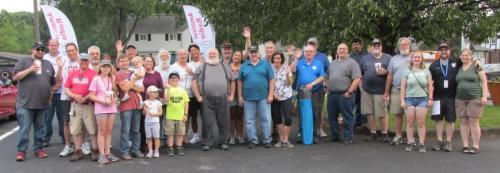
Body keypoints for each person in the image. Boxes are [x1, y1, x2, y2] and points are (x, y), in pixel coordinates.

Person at [14, 42, 56, 161]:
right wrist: (30, 69)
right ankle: (21, 151)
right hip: (25, 103)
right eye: (38, 49)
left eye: (43, 49)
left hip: (43, 103)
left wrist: (50, 95)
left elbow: (52, 83)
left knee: (40, 129)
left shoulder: (48, 64)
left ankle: (38, 149)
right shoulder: (24, 61)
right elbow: (15, 77)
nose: (40, 51)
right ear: (32, 50)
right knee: (24, 129)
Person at [192, 48, 235, 151]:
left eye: (214, 53)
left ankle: (223, 142)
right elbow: (194, 82)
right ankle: (207, 142)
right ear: (207, 55)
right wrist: (198, 96)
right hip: (207, 99)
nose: (212, 55)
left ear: (218, 54)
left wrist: (232, 95)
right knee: (207, 122)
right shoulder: (202, 67)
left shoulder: (225, 66)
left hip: (223, 98)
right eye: (210, 53)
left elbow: (232, 80)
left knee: (224, 121)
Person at [238, 45, 275, 149]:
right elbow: (240, 82)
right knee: (249, 120)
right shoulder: (244, 66)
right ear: (249, 54)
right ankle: (253, 140)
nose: (253, 54)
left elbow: (271, 80)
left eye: (255, 52)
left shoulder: (266, 64)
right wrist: (240, 96)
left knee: (266, 119)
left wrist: (271, 94)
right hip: (248, 98)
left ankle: (267, 140)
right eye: (251, 52)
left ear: (258, 54)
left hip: (263, 97)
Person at [64, 54, 99, 161]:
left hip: (88, 105)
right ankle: (78, 151)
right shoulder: (73, 73)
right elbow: (66, 88)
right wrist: (74, 96)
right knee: (75, 128)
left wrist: (85, 97)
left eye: (85, 61)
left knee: (92, 128)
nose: (83, 63)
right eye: (81, 61)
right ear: (78, 61)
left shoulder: (94, 74)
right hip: (75, 105)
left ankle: (95, 150)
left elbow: (96, 89)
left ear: (88, 62)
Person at [325, 43, 361, 144]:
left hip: (345, 94)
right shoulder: (333, 63)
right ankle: (335, 135)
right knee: (332, 116)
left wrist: (350, 91)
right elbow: (328, 77)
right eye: (340, 49)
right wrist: (327, 88)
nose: (342, 50)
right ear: (337, 51)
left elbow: (357, 78)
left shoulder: (352, 63)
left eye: (344, 49)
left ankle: (348, 137)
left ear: (347, 50)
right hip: (332, 95)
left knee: (347, 116)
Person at [455, 49, 488, 154]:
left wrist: (484, 96)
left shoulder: (477, 66)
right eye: (463, 55)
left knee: (473, 121)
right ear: (460, 56)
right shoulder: (458, 68)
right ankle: (465, 145)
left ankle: (475, 145)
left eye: (467, 55)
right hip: (460, 99)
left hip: (474, 98)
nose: (465, 57)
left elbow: (484, 82)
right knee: (463, 122)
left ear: (471, 56)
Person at [290, 45, 325, 143]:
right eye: (306, 51)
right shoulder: (300, 62)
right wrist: (296, 58)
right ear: (304, 53)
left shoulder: (318, 63)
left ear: (314, 52)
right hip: (301, 92)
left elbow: (322, 77)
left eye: (310, 51)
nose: (308, 53)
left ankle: (312, 135)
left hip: (314, 92)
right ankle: (302, 134)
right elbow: (291, 70)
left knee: (314, 113)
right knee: (301, 113)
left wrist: (312, 83)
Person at [359, 39, 391, 142]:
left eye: (378, 45)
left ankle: (384, 133)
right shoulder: (365, 59)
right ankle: (372, 132)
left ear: (381, 47)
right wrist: (361, 88)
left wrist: (385, 72)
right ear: (371, 47)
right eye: (374, 45)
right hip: (367, 90)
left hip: (381, 90)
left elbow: (392, 74)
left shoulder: (388, 58)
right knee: (369, 113)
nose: (376, 47)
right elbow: (359, 74)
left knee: (382, 113)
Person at [88, 60, 120, 164]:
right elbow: (91, 96)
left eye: (108, 66)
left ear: (111, 68)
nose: (106, 68)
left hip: (111, 107)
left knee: (109, 131)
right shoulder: (96, 79)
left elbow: (115, 93)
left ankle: (108, 152)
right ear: (100, 68)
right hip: (101, 107)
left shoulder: (112, 78)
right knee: (102, 131)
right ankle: (101, 154)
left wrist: (115, 99)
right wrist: (102, 101)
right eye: (104, 66)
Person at [401, 52, 433, 152]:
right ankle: (410, 142)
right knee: (410, 122)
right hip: (409, 99)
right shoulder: (407, 71)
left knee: (421, 122)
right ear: (412, 59)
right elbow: (403, 87)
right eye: (415, 57)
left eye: (419, 57)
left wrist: (430, 98)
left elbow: (429, 86)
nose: (416, 59)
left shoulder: (426, 71)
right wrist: (402, 100)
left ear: (421, 59)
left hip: (422, 99)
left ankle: (422, 143)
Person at [429, 43, 458, 151]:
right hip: (437, 97)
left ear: (449, 51)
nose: (444, 51)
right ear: (439, 52)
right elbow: (429, 82)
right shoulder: (433, 65)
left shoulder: (456, 63)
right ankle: (439, 141)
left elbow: (467, 64)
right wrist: (430, 97)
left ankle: (448, 142)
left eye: (446, 49)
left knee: (450, 120)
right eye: (441, 50)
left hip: (451, 97)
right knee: (438, 120)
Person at [116, 54, 145, 160]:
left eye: (126, 61)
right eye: (122, 61)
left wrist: (130, 84)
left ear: (129, 62)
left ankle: (135, 150)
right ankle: (124, 151)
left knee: (136, 130)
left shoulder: (134, 72)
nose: (124, 63)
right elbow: (124, 89)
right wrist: (133, 82)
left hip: (136, 104)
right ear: (119, 63)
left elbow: (142, 89)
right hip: (125, 106)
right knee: (125, 130)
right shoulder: (118, 74)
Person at [384, 37, 411, 145]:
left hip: (411, 91)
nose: (404, 46)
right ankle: (398, 136)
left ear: (410, 46)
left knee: (410, 115)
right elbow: (389, 76)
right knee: (398, 114)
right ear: (398, 47)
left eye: (406, 44)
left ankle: (410, 138)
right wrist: (386, 91)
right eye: (402, 45)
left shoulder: (414, 57)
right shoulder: (394, 59)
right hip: (396, 90)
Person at [58, 43, 81, 157]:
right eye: (68, 51)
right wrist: (60, 68)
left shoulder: (83, 62)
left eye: (72, 50)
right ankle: (68, 146)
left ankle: (82, 145)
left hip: (80, 97)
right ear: (66, 52)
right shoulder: (64, 63)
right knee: (66, 122)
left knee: (81, 122)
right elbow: (58, 80)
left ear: (76, 50)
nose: (71, 52)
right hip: (66, 97)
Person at [42, 39, 64, 147]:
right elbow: (42, 75)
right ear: (48, 46)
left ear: (58, 46)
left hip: (62, 92)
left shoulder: (63, 57)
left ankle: (64, 136)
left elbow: (66, 73)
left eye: (55, 45)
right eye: (51, 45)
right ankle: (46, 138)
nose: (53, 47)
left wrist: (58, 84)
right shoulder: (44, 58)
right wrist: (52, 86)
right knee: (47, 117)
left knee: (62, 117)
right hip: (48, 93)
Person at [271, 52, 295, 148]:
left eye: (278, 58)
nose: (276, 60)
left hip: (286, 96)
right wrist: (273, 94)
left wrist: (286, 75)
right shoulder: (270, 69)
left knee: (288, 118)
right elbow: (268, 83)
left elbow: (290, 83)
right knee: (277, 118)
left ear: (281, 59)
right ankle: (281, 139)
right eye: (275, 58)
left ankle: (286, 139)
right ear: (273, 59)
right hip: (275, 97)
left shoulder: (286, 68)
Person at [140, 56, 164, 153]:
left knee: (154, 124)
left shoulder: (157, 74)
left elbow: (161, 88)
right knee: (142, 125)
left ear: (153, 63)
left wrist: (160, 100)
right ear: (143, 62)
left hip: (154, 103)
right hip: (142, 102)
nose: (148, 62)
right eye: (146, 61)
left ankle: (155, 146)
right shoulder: (140, 73)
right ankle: (142, 145)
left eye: (150, 61)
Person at [165, 72, 190, 156]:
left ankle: (179, 146)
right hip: (170, 116)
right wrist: (168, 89)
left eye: (176, 78)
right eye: (172, 78)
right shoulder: (167, 90)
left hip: (180, 116)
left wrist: (185, 114)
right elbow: (166, 100)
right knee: (170, 133)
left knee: (180, 132)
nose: (174, 79)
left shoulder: (182, 91)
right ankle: (170, 148)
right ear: (169, 80)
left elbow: (186, 103)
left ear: (179, 80)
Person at [186, 44, 203, 144]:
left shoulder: (205, 62)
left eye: (195, 50)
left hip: (204, 94)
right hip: (192, 94)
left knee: (205, 116)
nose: (194, 52)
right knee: (193, 115)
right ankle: (195, 136)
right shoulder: (189, 65)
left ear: (199, 51)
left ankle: (206, 135)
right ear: (190, 53)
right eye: (192, 51)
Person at [350, 38, 369, 127]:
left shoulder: (366, 56)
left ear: (361, 45)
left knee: (364, 102)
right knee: (355, 101)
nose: (355, 46)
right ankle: (356, 120)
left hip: (364, 82)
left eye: (357, 44)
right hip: (353, 82)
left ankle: (364, 122)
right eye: (353, 45)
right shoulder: (350, 56)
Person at [229, 51, 245, 145]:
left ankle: (241, 135)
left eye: (239, 56)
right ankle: (232, 136)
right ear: (232, 56)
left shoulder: (244, 67)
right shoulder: (228, 67)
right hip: (231, 95)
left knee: (240, 116)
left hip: (241, 95)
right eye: (235, 55)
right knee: (231, 116)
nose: (237, 57)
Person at [143, 86, 163, 158]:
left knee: (156, 137)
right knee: (149, 138)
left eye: (157, 92)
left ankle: (156, 151)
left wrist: (154, 114)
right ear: (149, 93)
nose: (156, 94)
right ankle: (150, 151)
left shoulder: (158, 102)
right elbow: (144, 113)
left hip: (155, 122)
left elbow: (161, 112)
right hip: (147, 122)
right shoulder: (145, 102)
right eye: (154, 92)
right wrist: (145, 110)